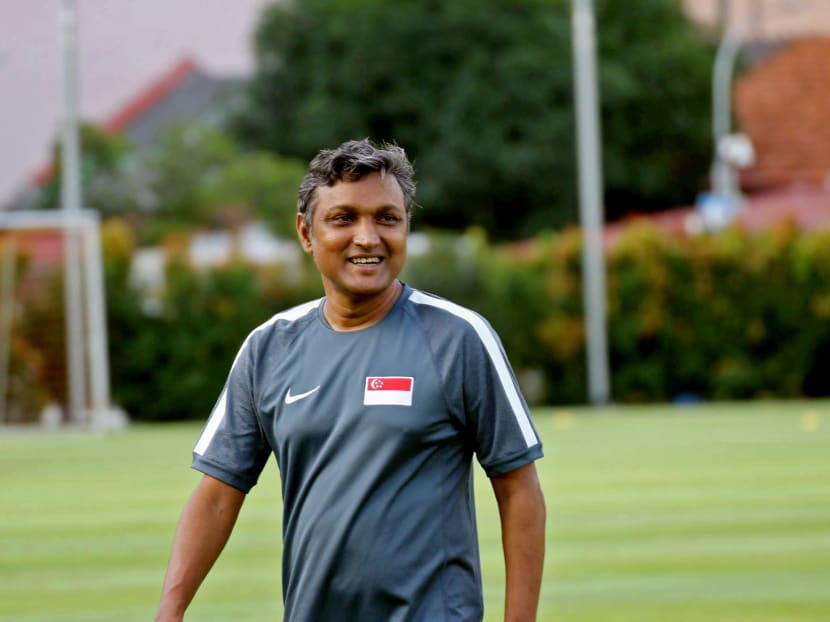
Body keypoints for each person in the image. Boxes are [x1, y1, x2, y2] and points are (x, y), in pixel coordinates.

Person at [155, 138, 546, 622]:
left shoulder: (459, 338)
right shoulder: (269, 347)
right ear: (305, 232)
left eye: (387, 218)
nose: (368, 237)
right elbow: (216, 495)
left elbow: (519, 490)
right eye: (343, 219)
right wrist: (169, 611)